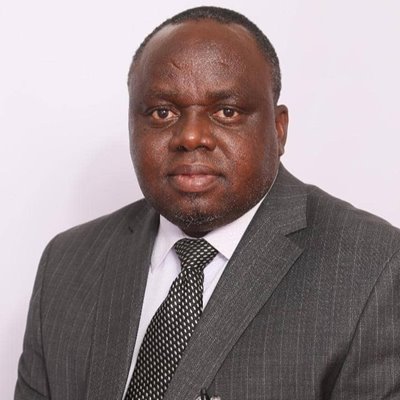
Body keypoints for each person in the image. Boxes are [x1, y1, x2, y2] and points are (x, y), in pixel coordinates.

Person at [15, 6, 400, 400]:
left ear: (279, 129)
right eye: (162, 112)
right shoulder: (67, 263)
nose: (191, 137)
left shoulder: (374, 268)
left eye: (226, 111)